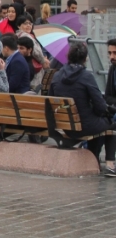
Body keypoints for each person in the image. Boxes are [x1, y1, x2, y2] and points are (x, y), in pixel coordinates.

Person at [50, 42, 116, 176]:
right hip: (83, 126)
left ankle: (93, 159)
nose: (111, 56)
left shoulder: (57, 75)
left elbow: (49, 99)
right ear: (85, 59)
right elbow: (100, 106)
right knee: (110, 125)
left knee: (98, 124)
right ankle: (110, 164)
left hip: (64, 126)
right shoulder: (86, 77)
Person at [106, 40, 116, 110]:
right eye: (110, 53)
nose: (111, 57)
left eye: (115, 53)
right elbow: (107, 96)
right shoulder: (113, 69)